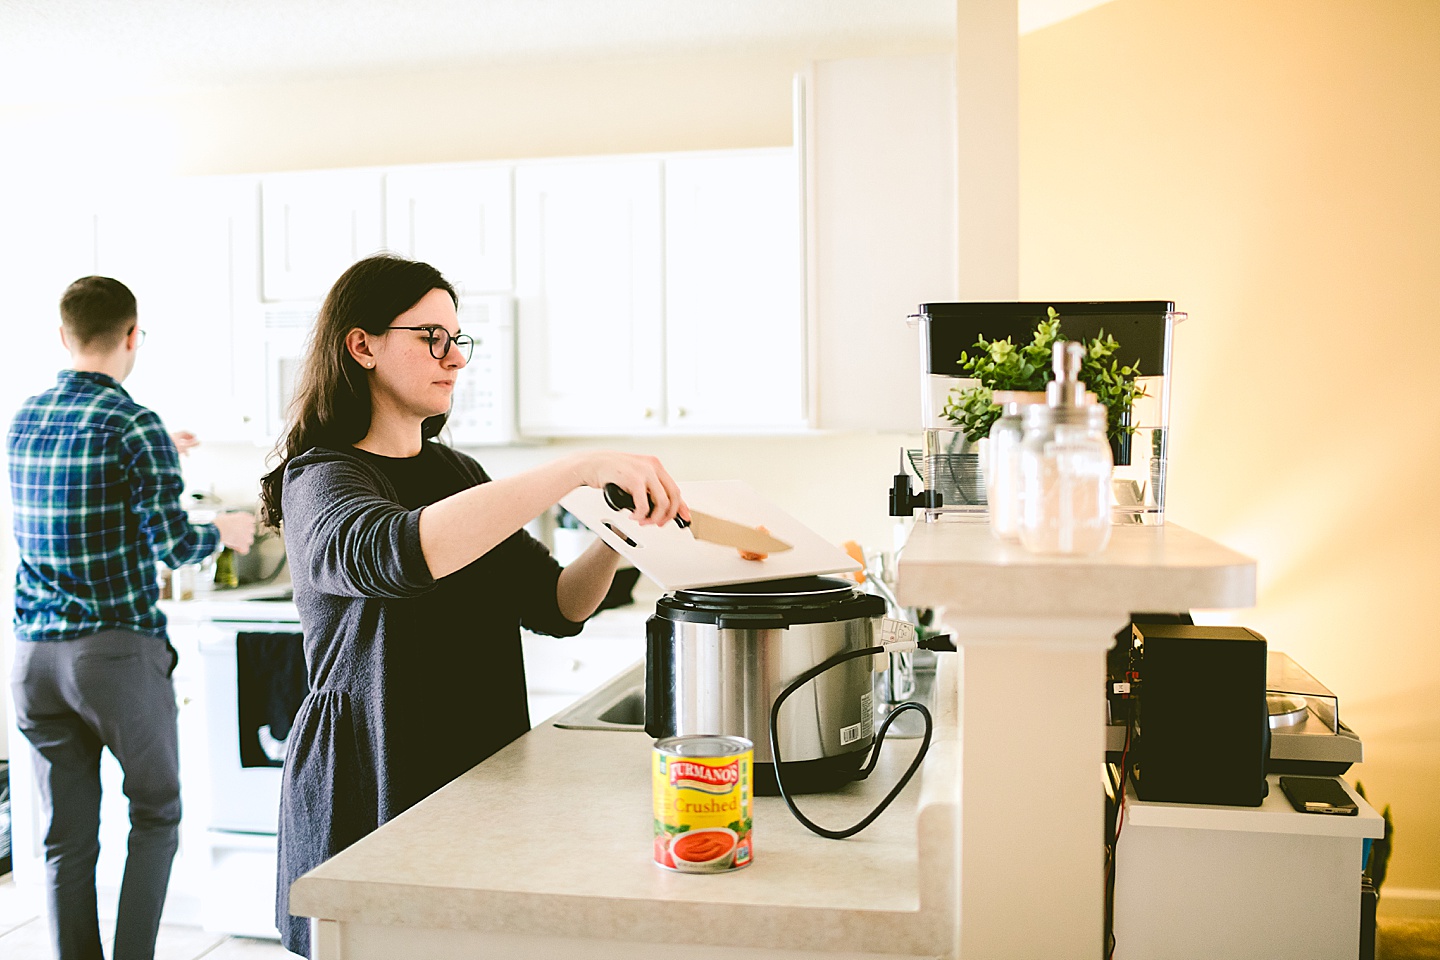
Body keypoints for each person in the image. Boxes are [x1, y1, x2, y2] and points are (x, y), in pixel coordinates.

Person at [260, 253, 686, 957]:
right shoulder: (323, 477)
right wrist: (573, 468)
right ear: (361, 345)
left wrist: (615, 534)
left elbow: (556, 605)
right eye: (432, 337)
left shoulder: (458, 473)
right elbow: (393, 553)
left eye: (459, 340)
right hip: (372, 773)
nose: (455, 358)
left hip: (473, 767)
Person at [7, 276, 256, 960]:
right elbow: (174, 543)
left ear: (63, 336)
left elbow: (83, 476)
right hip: (111, 657)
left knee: (66, 839)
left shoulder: (24, 415)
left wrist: (158, 453)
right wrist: (228, 530)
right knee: (154, 813)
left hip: (33, 661)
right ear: (132, 336)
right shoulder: (133, 423)